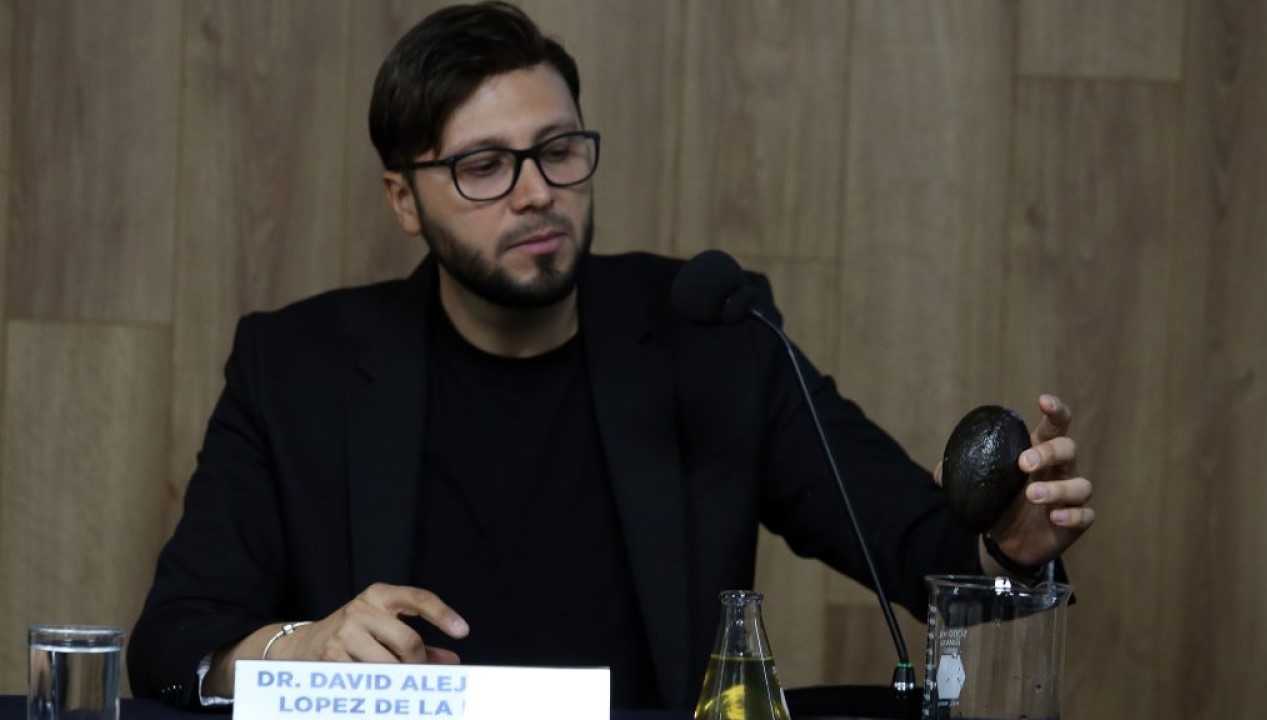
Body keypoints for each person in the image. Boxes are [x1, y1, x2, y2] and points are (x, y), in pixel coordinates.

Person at [127, 1, 1094, 712]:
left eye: (558, 150)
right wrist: (299, 649)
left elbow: (915, 546)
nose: (536, 192)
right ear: (402, 200)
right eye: (484, 166)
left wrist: (1005, 546)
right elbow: (173, 644)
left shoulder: (712, 338)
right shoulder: (296, 367)